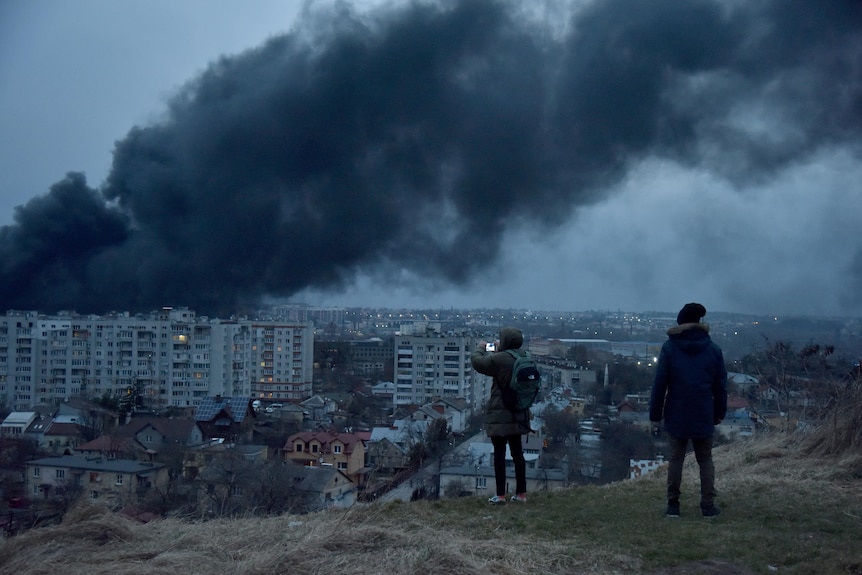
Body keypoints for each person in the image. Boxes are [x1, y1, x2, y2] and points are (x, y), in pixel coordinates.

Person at [649, 302, 727, 518]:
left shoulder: (670, 348)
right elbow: (720, 386)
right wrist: (720, 412)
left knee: (676, 459)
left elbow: (660, 383)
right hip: (703, 411)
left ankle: (673, 505)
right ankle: (708, 506)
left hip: (677, 411)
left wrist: (655, 415)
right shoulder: (713, 350)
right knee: (705, 460)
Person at [471, 326, 530, 504]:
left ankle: (500, 495)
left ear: (504, 341)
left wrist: (480, 347)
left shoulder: (499, 359)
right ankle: (521, 494)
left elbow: (478, 362)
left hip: (501, 412)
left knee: (499, 454)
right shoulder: (525, 356)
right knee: (518, 454)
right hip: (519, 411)